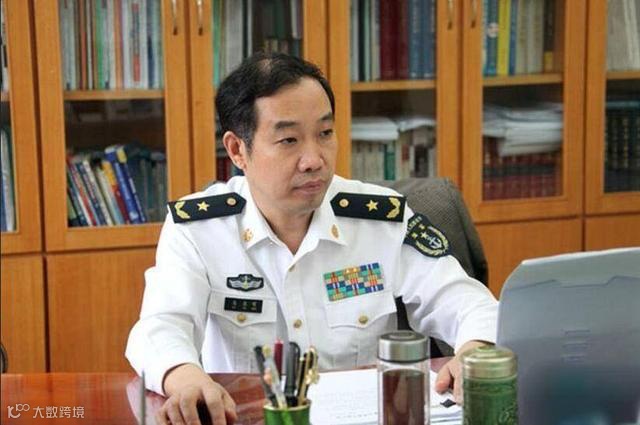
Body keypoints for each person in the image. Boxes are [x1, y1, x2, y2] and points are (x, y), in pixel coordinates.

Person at [126, 52, 498, 425]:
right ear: (238, 150)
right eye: (289, 139)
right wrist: (184, 376)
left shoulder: (380, 220)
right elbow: (160, 327)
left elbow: (469, 303)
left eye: (325, 134)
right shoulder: (199, 230)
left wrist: (474, 350)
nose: (314, 159)